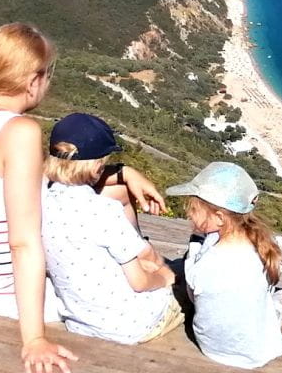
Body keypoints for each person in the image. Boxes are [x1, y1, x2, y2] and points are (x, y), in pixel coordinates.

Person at [0, 23, 164, 373]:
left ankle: (136, 253)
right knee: (146, 283)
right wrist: (35, 338)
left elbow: (44, 183)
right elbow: (23, 242)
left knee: (115, 193)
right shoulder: (21, 131)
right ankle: (142, 262)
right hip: (5, 291)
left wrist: (123, 174)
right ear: (33, 80)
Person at [41, 113, 183, 345]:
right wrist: (164, 277)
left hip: (79, 320)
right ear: (98, 166)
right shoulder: (104, 210)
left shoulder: (40, 198)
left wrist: (125, 172)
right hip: (132, 325)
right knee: (184, 283)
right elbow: (140, 283)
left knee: (145, 264)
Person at [167, 162, 282, 369]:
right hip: (260, 347)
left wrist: (195, 246)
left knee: (271, 304)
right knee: (274, 304)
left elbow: (192, 296)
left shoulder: (205, 265)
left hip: (213, 348)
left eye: (194, 210)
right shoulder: (265, 250)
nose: (189, 214)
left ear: (219, 218)